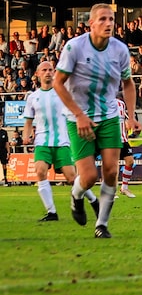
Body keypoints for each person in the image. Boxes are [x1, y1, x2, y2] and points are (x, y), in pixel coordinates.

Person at [54, 3, 142, 238]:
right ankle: (76, 195)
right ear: (91, 23)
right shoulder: (74, 48)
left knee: (112, 171)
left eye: (111, 19)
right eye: (102, 19)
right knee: (90, 177)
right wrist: (80, 115)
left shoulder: (120, 50)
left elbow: (128, 83)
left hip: (109, 116)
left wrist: (131, 117)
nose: (108, 24)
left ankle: (101, 225)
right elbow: (57, 83)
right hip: (78, 119)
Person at [24, 60, 99, 221]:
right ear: (37, 74)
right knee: (40, 171)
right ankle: (52, 212)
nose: (48, 72)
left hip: (62, 142)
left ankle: (93, 200)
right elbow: (28, 121)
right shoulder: (33, 97)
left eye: (51, 69)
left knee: (72, 178)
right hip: (42, 141)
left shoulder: (63, 93)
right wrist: (26, 135)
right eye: (44, 70)